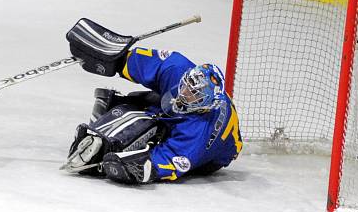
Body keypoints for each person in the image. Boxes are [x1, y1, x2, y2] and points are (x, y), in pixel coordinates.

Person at [61, 18, 242, 184]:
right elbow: (141, 64)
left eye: (194, 94)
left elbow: (172, 159)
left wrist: (144, 165)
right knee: (143, 103)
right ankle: (107, 125)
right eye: (186, 85)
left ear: (205, 104)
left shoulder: (200, 132)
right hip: (189, 116)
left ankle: (112, 144)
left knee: (160, 130)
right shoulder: (177, 68)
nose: (185, 92)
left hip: (215, 155)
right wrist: (114, 58)